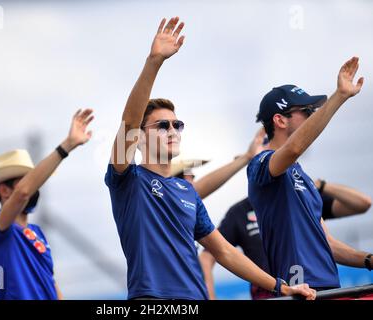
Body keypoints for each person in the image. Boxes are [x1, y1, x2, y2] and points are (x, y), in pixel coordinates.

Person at [105, 17, 316, 300]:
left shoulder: (187, 193)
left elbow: (224, 251)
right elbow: (129, 123)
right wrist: (154, 62)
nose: (173, 130)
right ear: (140, 138)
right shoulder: (128, 180)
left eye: (177, 125)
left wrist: (281, 286)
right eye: (162, 125)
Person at [247, 57, 372, 291]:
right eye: (306, 111)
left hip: (330, 289)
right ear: (280, 120)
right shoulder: (260, 163)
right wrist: (340, 96)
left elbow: (329, 245)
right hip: (300, 290)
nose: (312, 115)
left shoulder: (303, 176)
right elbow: (294, 147)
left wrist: (368, 259)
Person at [0, 109, 94, 300]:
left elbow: (51, 282)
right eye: (29, 180)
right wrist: (67, 146)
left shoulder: (37, 232)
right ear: (4, 190)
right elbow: (22, 193)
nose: (35, 188)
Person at [199, 180, 371, 299]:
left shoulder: (303, 199)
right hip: (270, 293)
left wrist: (320, 185)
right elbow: (209, 255)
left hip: (312, 290)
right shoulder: (239, 212)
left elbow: (362, 203)